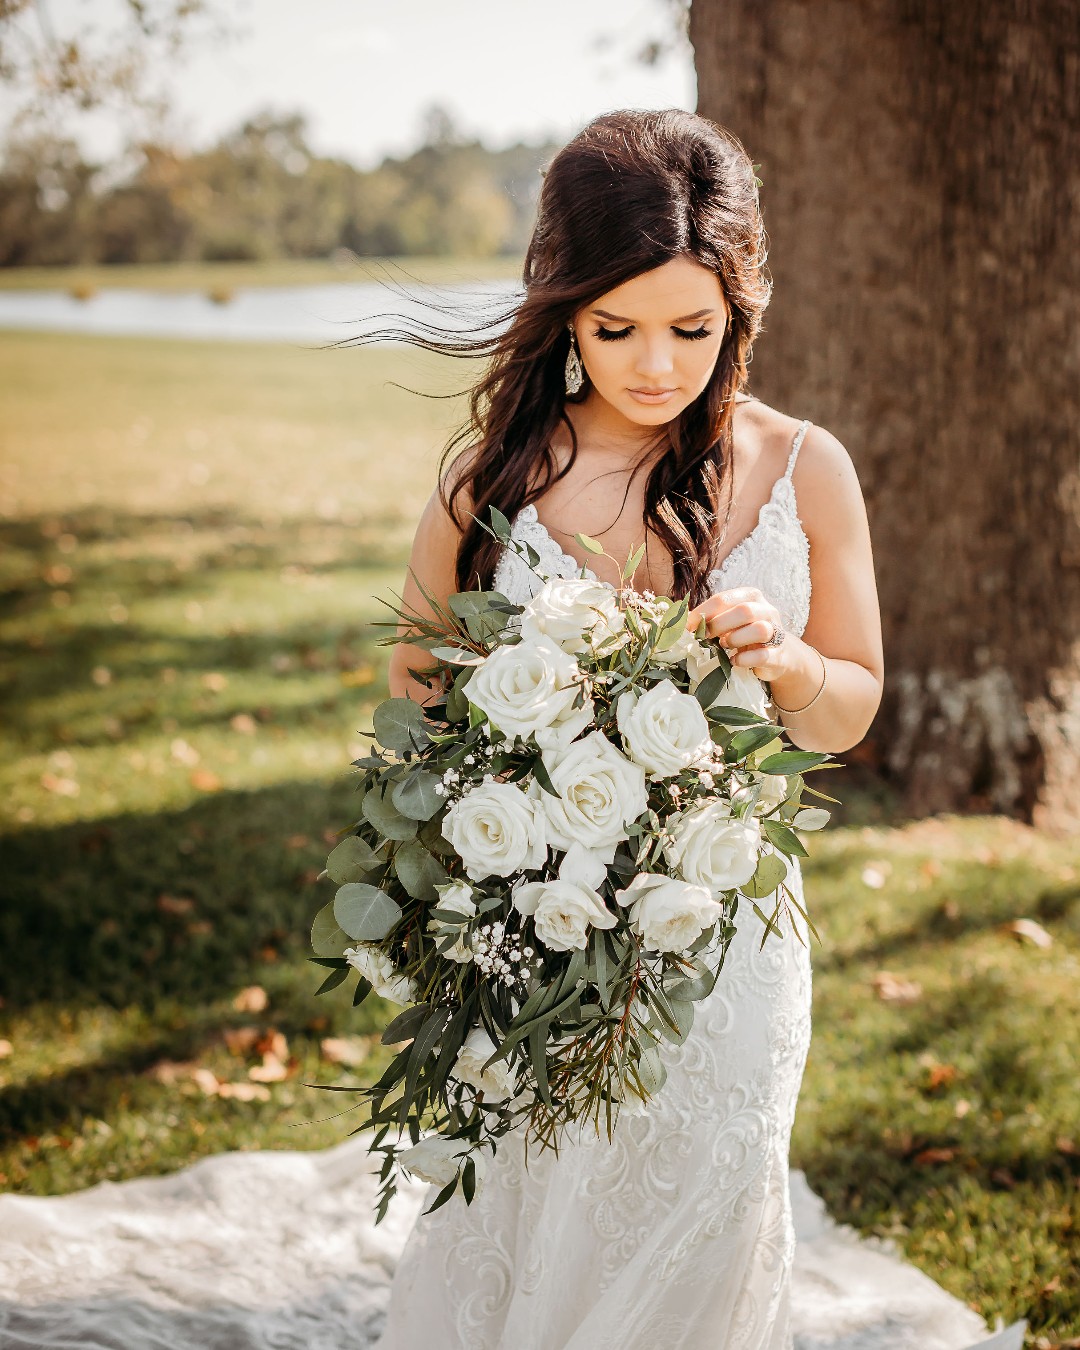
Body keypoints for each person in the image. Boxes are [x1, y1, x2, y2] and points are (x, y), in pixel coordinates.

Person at [379, 108, 884, 1350]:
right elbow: (415, 686)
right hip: (535, 913)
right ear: (564, 309)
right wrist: (514, 752)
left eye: (690, 329)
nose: (655, 364)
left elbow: (855, 706)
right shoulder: (494, 480)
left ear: (742, 308)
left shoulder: (807, 468)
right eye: (615, 329)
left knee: (705, 1206)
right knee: (547, 1205)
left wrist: (789, 658)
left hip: (731, 936)